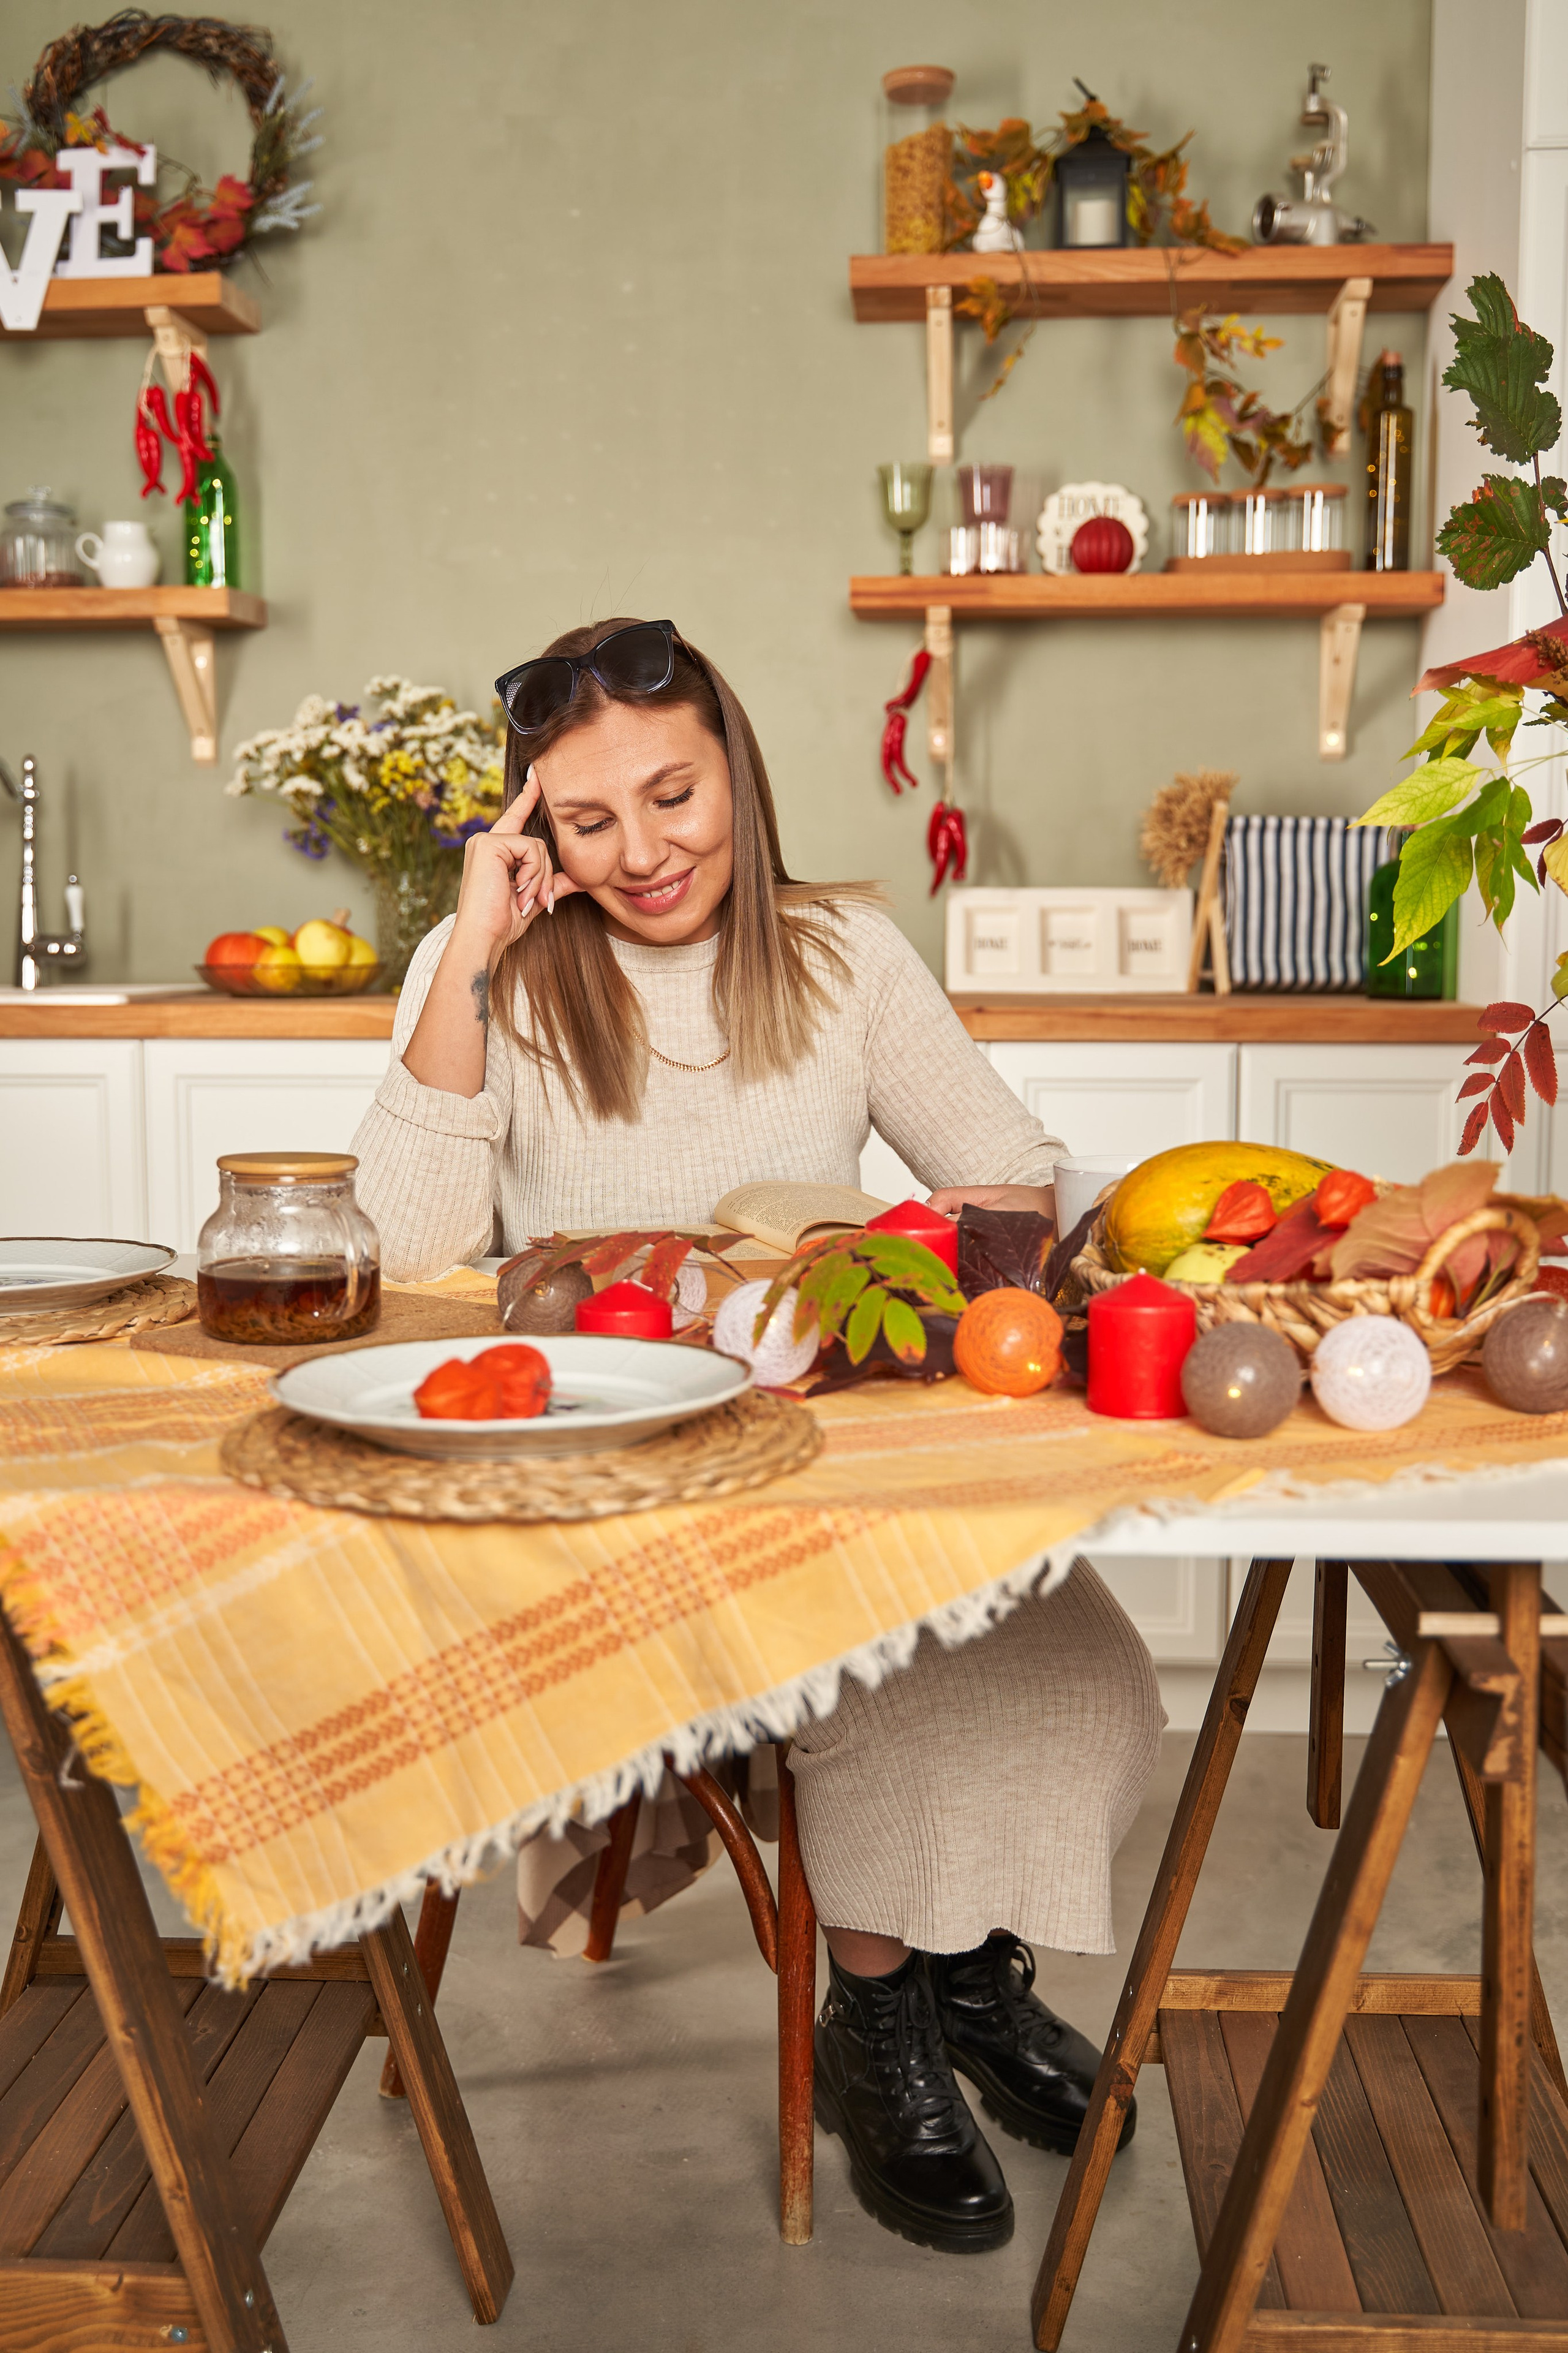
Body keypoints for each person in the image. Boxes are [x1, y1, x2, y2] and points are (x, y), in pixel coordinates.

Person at [352, 618, 1162, 2255]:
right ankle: (879, 2026)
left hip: (827, 1461)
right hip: (605, 1503)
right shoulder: (497, 977)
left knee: (1075, 1661)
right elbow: (406, 1243)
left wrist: (929, 1256)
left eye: (675, 793)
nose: (644, 851)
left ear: (737, 770)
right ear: (536, 833)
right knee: (869, 1669)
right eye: (589, 820)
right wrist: (467, 954)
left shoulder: (843, 957)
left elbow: (1004, 1164)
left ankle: (958, 1969)